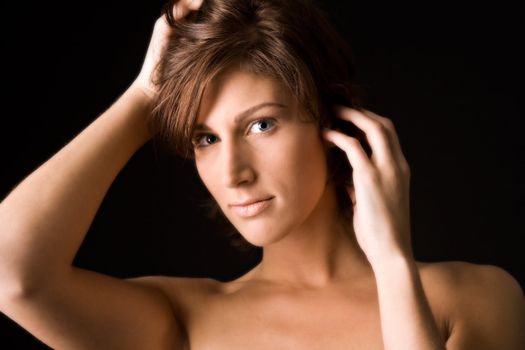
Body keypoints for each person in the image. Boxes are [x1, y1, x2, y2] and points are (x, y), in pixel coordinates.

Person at [0, 0, 523, 349]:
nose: (232, 173)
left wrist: (391, 263)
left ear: (332, 121)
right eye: (205, 138)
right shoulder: (182, 322)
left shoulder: (473, 298)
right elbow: (11, 277)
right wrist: (146, 96)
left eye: (261, 124)